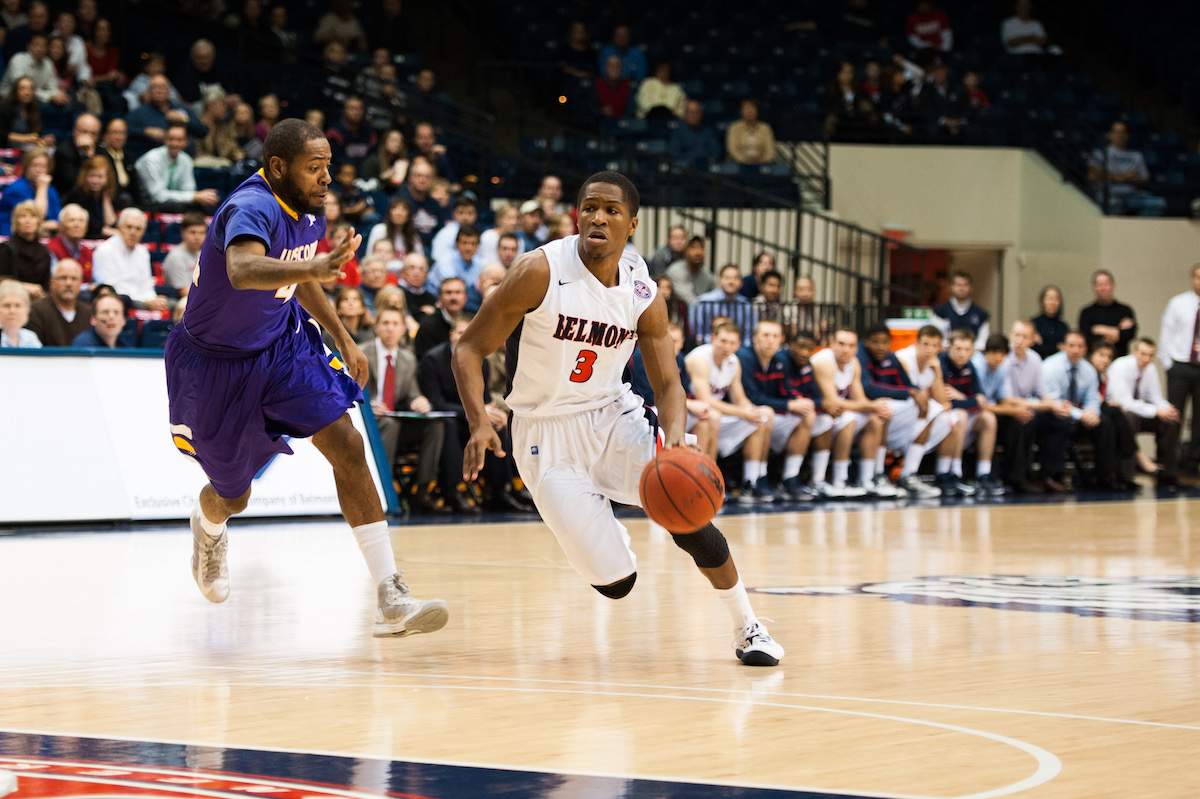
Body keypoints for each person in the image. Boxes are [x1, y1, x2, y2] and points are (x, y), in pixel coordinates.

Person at [452, 171, 784, 665]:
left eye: (611, 210)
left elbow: (670, 384)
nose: (598, 217)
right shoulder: (538, 271)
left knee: (689, 515)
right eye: (589, 207)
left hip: (613, 415)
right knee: (616, 585)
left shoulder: (641, 288)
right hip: (544, 434)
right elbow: (469, 348)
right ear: (576, 215)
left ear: (631, 224)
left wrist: (673, 442)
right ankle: (599, 517)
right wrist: (479, 420)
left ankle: (748, 627)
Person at [163, 118, 447, 635]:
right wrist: (315, 270)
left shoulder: (309, 208)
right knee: (234, 494)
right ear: (277, 168)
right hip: (215, 365)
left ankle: (390, 594)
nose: (325, 178)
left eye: (328, 168)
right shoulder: (252, 207)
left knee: (347, 444)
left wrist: (339, 333)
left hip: (280, 345)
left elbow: (299, 269)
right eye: (314, 168)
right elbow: (244, 270)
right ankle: (208, 527)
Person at [365, 306, 445, 513]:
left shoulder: (408, 358)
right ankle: (383, 488)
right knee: (391, 424)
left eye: (395, 324)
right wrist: (366, 404)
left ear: (403, 329)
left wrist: (419, 401)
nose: (390, 329)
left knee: (435, 425)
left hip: (394, 420)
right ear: (376, 328)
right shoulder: (361, 352)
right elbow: (347, 390)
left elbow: (412, 393)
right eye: (385, 323)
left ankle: (423, 491)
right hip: (369, 422)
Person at [685, 322, 777, 502]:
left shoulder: (733, 361)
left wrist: (752, 410)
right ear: (713, 338)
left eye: (732, 343)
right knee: (713, 416)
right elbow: (706, 400)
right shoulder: (700, 359)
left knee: (765, 415)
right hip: (694, 412)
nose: (727, 347)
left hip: (716, 414)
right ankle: (705, 481)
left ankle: (752, 481)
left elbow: (739, 397)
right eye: (723, 341)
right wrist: (744, 413)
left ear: (739, 344)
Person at [859, 323, 949, 497]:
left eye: (885, 342)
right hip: (865, 410)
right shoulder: (861, 356)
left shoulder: (891, 357)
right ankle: (878, 474)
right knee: (885, 408)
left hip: (884, 411)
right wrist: (912, 392)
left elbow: (909, 385)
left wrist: (918, 392)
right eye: (875, 342)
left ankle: (909, 474)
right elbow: (868, 389)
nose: (880, 346)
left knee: (933, 409)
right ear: (866, 342)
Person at [738, 320, 820, 500]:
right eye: (766, 336)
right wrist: (790, 405)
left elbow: (785, 391)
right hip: (740, 415)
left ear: (781, 340)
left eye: (775, 336)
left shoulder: (778, 361)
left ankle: (790, 477)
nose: (770, 341)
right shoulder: (744, 358)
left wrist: (799, 401)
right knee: (765, 413)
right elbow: (752, 397)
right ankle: (752, 481)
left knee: (807, 415)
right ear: (754, 338)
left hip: (766, 416)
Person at [811, 327, 894, 498]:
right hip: (818, 414)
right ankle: (840, 481)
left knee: (875, 419)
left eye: (851, 345)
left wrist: (875, 407)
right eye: (841, 344)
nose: (845, 349)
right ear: (832, 344)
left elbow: (859, 399)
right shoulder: (823, 362)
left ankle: (867, 479)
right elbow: (833, 401)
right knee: (849, 419)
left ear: (857, 348)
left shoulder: (854, 363)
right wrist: (872, 405)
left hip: (835, 415)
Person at [1042, 331, 1120, 489]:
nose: (1075, 350)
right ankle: (1053, 476)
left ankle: (1103, 476)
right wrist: (1081, 415)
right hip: (1054, 414)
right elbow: (1055, 403)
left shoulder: (1088, 370)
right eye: (1071, 345)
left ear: (1085, 349)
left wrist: (1092, 414)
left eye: (1080, 346)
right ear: (1063, 347)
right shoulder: (1051, 366)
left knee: (1105, 423)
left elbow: (1092, 398)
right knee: (1059, 421)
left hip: (1078, 417)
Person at [1107, 338, 1181, 487]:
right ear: (1134, 352)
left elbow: (1155, 398)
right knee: (1128, 419)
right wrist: (1156, 411)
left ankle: (1167, 475)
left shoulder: (1150, 369)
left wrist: (1167, 409)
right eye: (1142, 354)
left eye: (1150, 355)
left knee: (1169, 420)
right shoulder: (1121, 366)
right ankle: (1125, 476)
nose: (1146, 359)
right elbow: (1125, 403)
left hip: (1137, 411)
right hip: (1116, 413)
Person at [939, 328, 1005, 494]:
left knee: (988, 418)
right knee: (960, 415)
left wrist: (961, 397)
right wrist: (968, 401)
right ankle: (954, 473)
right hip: (942, 420)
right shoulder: (941, 364)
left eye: (967, 350)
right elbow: (945, 403)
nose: (963, 354)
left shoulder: (969, 366)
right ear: (949, 348)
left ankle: (984, 473)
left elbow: (980, 402)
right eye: (958, 349)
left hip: (962, 417)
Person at [972, 334, 1040, 492]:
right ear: (986, 353)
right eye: (994, 353)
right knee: (994, 420)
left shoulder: (1000, 370)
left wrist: (1023, 409)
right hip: (974, 413)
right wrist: (1013, 410)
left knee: (1017, 422)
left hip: (988, 411)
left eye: (1002, 354)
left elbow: (1003, 399)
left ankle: (1015, 478)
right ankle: (989, 475)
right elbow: (980, 405)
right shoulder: (977, 367)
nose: (998, 358)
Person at [1158, 263, 1200, 476]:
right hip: (1181, 366)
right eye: (1198, 277)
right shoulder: (1178, 303)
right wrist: (1169, 365)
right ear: (1192, 279)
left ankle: (1193, 463)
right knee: (1174, 417)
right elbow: (1166, 334)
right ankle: (1170, 463)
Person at [92, 207, 168, 311]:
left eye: (138, 229)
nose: (133, 232)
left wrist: (154, 301)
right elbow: (112, 288)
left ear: (143, 232)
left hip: (142, 300)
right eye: (129, 227)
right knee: (128, 301)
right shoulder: (105, 250)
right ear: (119, 227)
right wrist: (146, 302)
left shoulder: (143, 252)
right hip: (119, 300)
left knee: (171, 305)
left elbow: (146, 285)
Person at [135, 122, 220, 212]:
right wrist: (194, 196)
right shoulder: (151, 159)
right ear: (165, 140)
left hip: (171, 203)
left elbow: (188, 190)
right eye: (171, 139)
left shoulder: (186, 160)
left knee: (202, 207)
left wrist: (200, 197)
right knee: (175, 206)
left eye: (179, 140)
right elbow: (158, 196)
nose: (174, 143)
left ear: (186, 142)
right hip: (145, 203)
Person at [1087, 121, 1165, 216]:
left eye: (1123, 132)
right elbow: (1092, 176)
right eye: (1117, 132)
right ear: (1110, 135)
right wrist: (1123, 177)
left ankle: (1138, 228)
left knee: (1158, 203)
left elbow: (1145, 180)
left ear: (1127, 136)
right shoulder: (1100, 153)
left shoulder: (1136, 155)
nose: (1120, 135)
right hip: (1110, 193)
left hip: (1132, 194)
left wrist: (1135, 179)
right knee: (1112, 203)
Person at [126, 74, 207, 156]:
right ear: (149, 91)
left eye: (162, 87)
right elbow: (125, 129)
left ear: (168, 91)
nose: (159, 90)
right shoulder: (140, 112)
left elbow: (203, 131)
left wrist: (185, 120)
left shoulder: (181, 109)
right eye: (155, 87)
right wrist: (146, 131)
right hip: (154, 160)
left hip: (185, 158)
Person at [26, 257, 90, 345]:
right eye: (63, 278)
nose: (69, 283)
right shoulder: (36, 311)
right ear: (52, 283)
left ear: (80, 284)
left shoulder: (88, 313)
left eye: (74, 279)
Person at [0, 147, 61, 236]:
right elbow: (37, 216)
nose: (38, 170)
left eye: (43, 166)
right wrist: (42, 188)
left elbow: (58, 221)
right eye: (34, 165)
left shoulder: (51, 190)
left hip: (38, 236)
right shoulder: (15, 189)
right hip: (11, 237)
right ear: (26, 167)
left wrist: (45, 225)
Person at [0, 33, 70, 107]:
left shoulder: (48, 63)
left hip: (35, 100)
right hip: (9, 99)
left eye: (44, 46)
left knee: (65, 105)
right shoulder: (18, 60)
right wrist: (50, 96)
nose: (40, 49)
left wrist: (58, 95)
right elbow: (22, 89)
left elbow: (52, 87)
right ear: (29, 47)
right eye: (36, 45)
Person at [0, 200, 52, 299]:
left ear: (39, 221)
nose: (28, 220)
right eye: (22, 216)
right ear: (16, 221)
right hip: (10, 299)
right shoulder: (5, 249)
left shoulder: (44, 251)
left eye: (33, 216)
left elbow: (47, 286)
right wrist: (23, 287)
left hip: (37, 303)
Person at [1079, 269, 1137, 358]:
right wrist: (1117, 330)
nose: (1102, 288)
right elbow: (1086, 337)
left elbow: (1129, 335)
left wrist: (1098, 329)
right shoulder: (1086, 312)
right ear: (1094, 287)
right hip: (1094, 363)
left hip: (1119, 360)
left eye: (1106, 284)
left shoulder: (1125, 310)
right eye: (1099, 285)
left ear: (1112, 286)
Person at [690, 263, 752, 345]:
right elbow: (698, 334)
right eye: (727, 278)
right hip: (708, 346)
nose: (731, 282)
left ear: (741, 283)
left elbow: (748, 336)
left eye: (735, 278)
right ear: (719, 281)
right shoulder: (704, 302)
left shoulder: (746, 305)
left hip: (738, 349)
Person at [61, 154, 117, 238]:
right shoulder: (77, 194)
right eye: (92, 176)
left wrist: (106, 199)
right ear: (85, 176)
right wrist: (113, 233)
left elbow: (110, 223)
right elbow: (90, 226)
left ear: (108, 178)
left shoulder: (106, 193)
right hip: (84, 236)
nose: (95, 181)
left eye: (100, 177)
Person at [397, 157, 446, 251]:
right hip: (405, 249)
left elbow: (440, 234)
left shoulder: (435, 204)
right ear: (410, 178)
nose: (422, 180)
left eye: (427, 177)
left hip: (430, 251)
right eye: (418, 176)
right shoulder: (400, 201)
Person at [414, 275, 466, 360]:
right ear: (440, 297)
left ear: (465, 297)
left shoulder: (471, 322)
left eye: (458, 292)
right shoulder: (428, 325)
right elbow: (425, 361)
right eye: (448, 293)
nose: (453, 297)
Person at [933, 271, 988, 349]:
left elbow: (982, 342)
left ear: (971, 287)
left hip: (973, 353)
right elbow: (936, 337)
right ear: (951, 287)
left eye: (965, 285)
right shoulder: (940, 311)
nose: (961, 288)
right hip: (946, 353)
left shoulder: (981, 314)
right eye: (958, 285)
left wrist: (969, 351)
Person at [0, 77, 54, 151]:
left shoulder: (33, 110)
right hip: (6, 150)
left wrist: (42, 141)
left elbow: (34, 135)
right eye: (22, 89)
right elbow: (1, 134)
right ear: (15, 91)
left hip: (26, 150)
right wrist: (23, 138)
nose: (27, 93)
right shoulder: (5, 107)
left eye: (30, 89)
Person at [52, 112, 100, 193]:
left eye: (93, 133)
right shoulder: (63, 151)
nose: (88, 136)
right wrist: (88, 156)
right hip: (69, 196)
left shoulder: (100, 149)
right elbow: (74, 182)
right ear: (75, 131)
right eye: (84, 132)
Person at [161, 211, 206, 297]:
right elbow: (185, 292)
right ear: (183, 232)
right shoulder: (176, 257)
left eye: (201, 233)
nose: (197, 237)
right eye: (193, 232)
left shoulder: (203, 255)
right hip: (180, 302)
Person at [325, 96, 377, 170]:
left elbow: (373, 155)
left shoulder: (369, 131)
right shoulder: (334, 133)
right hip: (340, 173)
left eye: (359, 108)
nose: (356, 112)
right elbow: (334, 160)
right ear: (344, 110)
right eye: (352, 108)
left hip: (364, 173)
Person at [366, 196, 422, 262]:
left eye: (403, 209)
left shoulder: (414, 238)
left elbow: (419, 261)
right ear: (389, 213)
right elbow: (369, 257)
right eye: (395, 208)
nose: (399, 213)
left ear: (408, 215)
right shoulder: (379, 230)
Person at [99, 117, 139, 208]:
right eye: (114, 132)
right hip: (109, 202)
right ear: (104, 135)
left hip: (128, 201)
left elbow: (135, 187)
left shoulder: (128, 156)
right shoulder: (100, 155)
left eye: (122, 133)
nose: (119, 137)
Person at [668, 100, 721, 168]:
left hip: (704, 168)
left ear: (701, 114)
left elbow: (715, 151)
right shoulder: (678, 131)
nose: (693, 115)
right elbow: (674, 153)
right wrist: (692, 158)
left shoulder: (708, 131)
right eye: (690, 112)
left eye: (696, 112)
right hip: (685, 169)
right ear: (685, 114)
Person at [46, 204, 93, 278]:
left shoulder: (88, 252)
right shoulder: (50, 249)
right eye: (71, 220)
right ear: (60, 226)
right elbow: (55, 279)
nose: (77, 225)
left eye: (81, 221)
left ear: (86, 227)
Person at [664, 236, 713, 306]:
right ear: (685, 251)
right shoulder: (675, 271)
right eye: (693, 247)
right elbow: (690, 301)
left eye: (701, 247)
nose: (698, 252)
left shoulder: (707, 275)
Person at [430, 195, 478, 267]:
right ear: (453, 214)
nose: (465, 217)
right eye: (461, 212)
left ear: (476, 215)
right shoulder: (446, 233)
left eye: (470, 213)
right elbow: (437, 260)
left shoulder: (476, 233)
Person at [726, 98, 777, 165]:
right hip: (739, 164)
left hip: (762, 163)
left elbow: (771, 151)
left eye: (752, 109)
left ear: (757, 111)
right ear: (741, 111)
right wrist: (745, 160)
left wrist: (762, 160)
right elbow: (732, 150)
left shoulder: (765, 128)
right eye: (746, 109)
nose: (749, 111)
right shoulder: (734, 128)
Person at [0, 279, 42, 347]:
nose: (12, 311)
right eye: (6, 305)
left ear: (27, 311)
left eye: (18, 306)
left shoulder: (30, 338)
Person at [397, 251, 437, 323]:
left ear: (426, 274)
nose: (416, 273)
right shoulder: (396, 293)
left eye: (421, 269)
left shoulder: (431, 298)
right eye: (412, 268)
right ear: (402, 272)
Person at [1031, 284, 1067, 359]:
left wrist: (1042, 344)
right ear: (1042, 301)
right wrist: (1056, 347)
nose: (1052, 303)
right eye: (1050, 299)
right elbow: (1033, 348)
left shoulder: (1063, 327)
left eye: (1056, 299)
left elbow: (1065, 350)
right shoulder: (1033, 324)